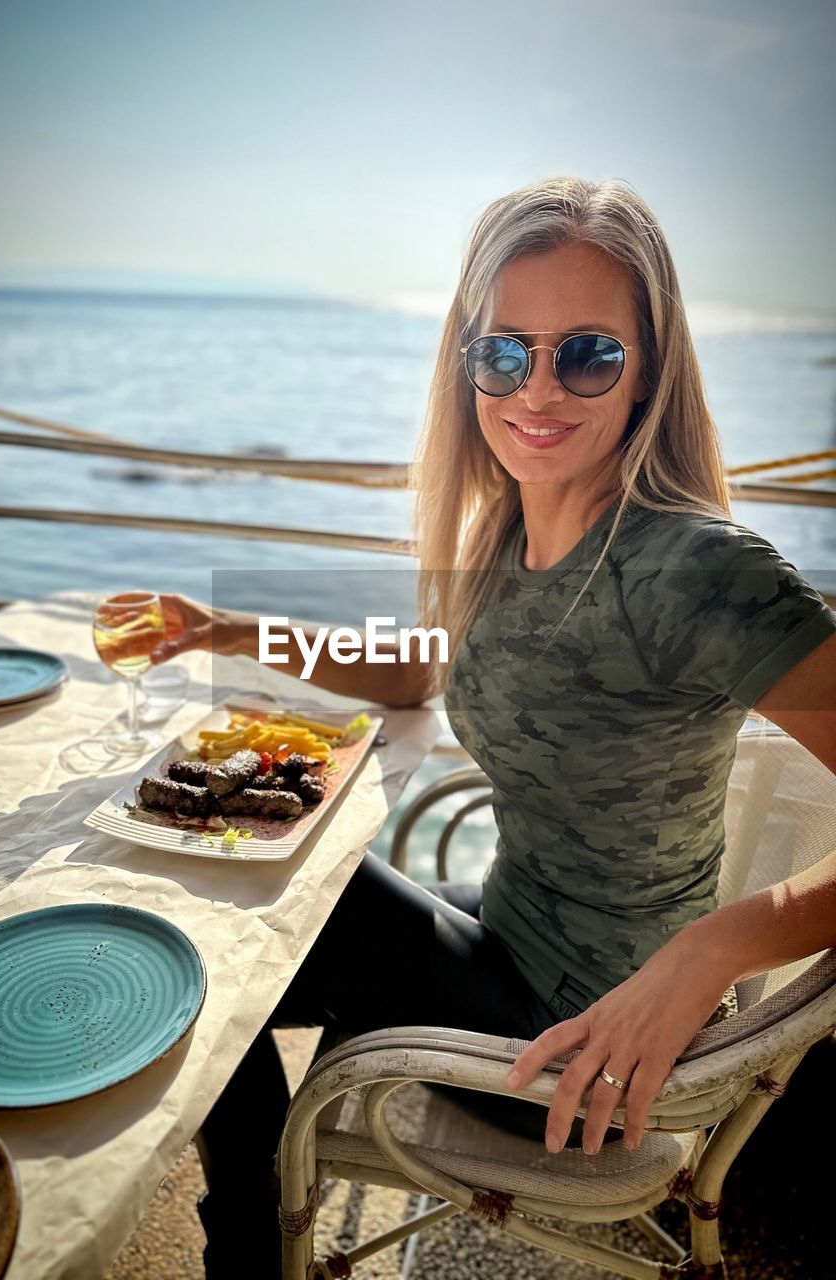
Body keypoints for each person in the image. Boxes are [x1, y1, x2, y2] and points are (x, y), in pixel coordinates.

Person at [150, 175, 836, 1278]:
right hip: (514, 937)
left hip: (581, 1048)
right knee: (270, 917)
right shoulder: (510, 534)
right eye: (506, 353)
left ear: (650, 366)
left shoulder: (695, 570)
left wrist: (713, 948)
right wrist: (231, 626)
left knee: (236, 901)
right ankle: (252, 1210)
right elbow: (425, 677)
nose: (539, 387)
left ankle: (241, 1247)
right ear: (467, 363)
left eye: (589, 353)